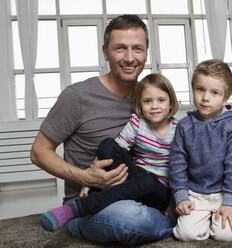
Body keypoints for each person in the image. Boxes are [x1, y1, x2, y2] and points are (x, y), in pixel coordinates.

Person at [31, 15, 175, 244]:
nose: (130, 57)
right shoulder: (76, 96)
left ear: (146, 53)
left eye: (137, 49)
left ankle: (165, 217)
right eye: (120, 48)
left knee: (139, 207)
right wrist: (85, 176)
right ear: (106, 52)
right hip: (95, 201)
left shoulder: (150, 98)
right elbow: (39, 153)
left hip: (142, 192)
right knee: (130, 218)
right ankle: (167, 224)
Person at [39, 73, 179, 232]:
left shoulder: (179, 130)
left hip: (159, 190)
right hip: (136, 178)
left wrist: (174, 204)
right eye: (148, 101)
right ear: (140, 104)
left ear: (171, 104)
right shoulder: (137, 123)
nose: (154, 105)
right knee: (108, 145)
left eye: (161, 100)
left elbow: (181, 170)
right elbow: (117, 147)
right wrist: (88, 177)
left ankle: (79, 208)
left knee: (148, 180)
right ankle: (100, 197)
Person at [169, 59, 232, 241]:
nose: (205, 97)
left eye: (214, 92)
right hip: (195, 193)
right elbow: (177, 164)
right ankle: (202, 219)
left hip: (224, 192)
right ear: (193, 88)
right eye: (200, 90)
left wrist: (229, 201)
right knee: (186, 234)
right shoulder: (184, 125)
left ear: (226, 96)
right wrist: (181, 197)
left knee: (224, 235)